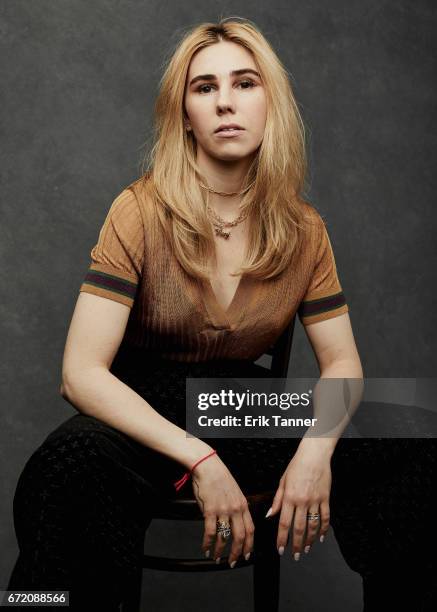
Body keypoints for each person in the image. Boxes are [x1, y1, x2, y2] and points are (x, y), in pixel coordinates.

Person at [7, 17, 436, 612]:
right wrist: (199, 458)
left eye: (245, 83)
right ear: (185, 113)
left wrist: (315, 452)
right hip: (142, 413)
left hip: (236, 403)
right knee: (68, 466)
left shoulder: (303, 229)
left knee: (417, 433)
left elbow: (343, 367)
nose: (226, 103)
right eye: (205, 88)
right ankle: (37, 606)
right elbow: (80, 374)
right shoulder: (140, 211)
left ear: (272, 103)